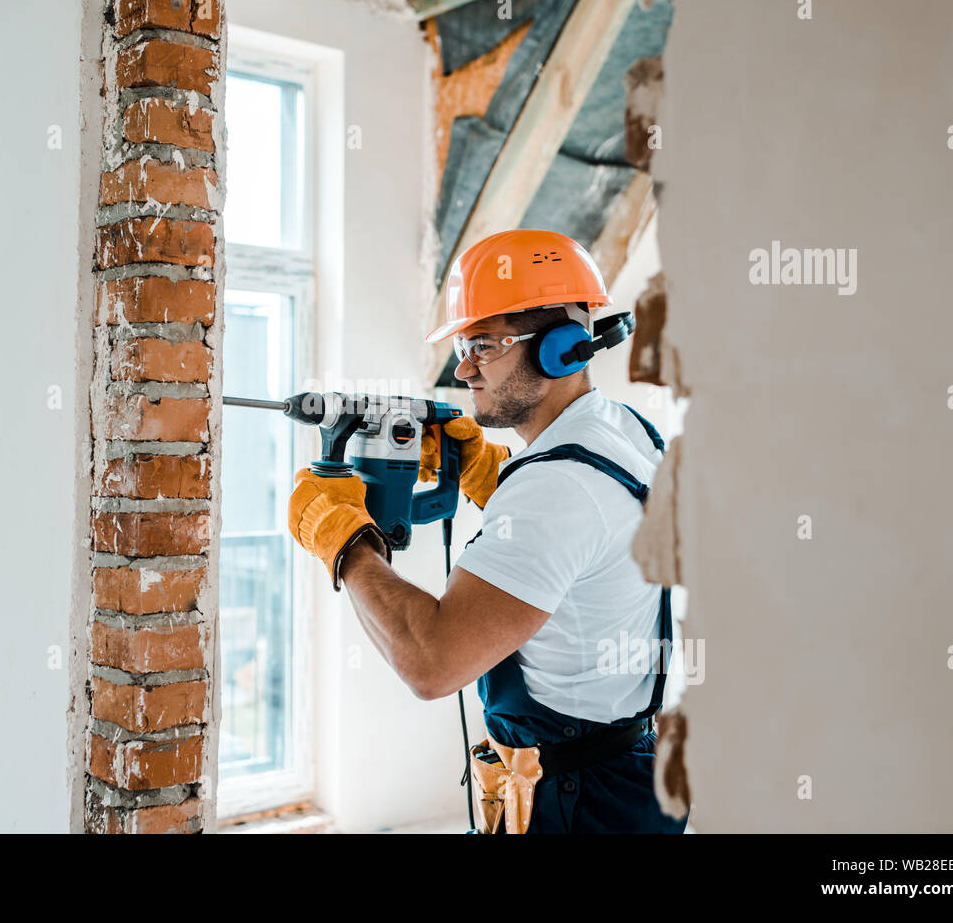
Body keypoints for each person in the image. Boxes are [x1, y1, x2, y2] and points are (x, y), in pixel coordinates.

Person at [287, 228, 687, 833]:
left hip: (576, 804)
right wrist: (484, 472)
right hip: (625, 774)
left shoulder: (555, 491)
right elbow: (583, 532)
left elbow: (432, 662)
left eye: (483, 344)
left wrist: (343, 538)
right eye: (463, 344)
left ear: (562, 350)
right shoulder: (623, 431)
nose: (462, 366)